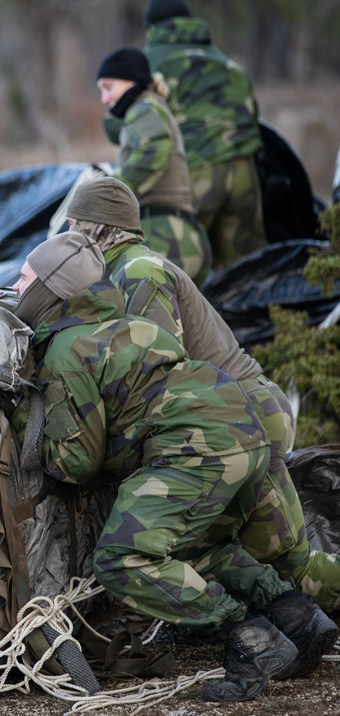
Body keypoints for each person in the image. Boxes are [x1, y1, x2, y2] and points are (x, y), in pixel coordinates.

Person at [9, 231, 336, 702]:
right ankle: (297, 618)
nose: (15, 288)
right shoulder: (127, 325)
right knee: (205, 549)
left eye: (24, 278)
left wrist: (23, 412)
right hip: (247, 428)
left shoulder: (67, 352)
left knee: (122, 559)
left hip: (200, 448)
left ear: (51, 289)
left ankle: (249, 638)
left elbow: (76, 463)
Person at [64, 175, 340, 615]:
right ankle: (288, 624)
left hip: (234, 423)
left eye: (74, 224)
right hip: (236, 420)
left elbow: (157, 370)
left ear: (96, 227)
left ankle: (252, 631)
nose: (69, 235)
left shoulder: (137, 271)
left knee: (266, 560)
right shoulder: (130, 266)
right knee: (277, 561)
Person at [142, 0, 267, 268]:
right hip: (245, 171)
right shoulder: (225, 61)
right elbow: (253, 116)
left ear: (150, 28)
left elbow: (135, 122)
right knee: (248, 272)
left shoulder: (153, 63)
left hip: (196, 171)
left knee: (175, 270)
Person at [95, 46, 211, 287]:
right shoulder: (150, 107)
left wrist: (108, 194)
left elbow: (154, 148)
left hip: (166, 239)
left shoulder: (144, 108)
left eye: (108, 87)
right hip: (178, 238)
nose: (105, 99)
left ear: (131, 81)